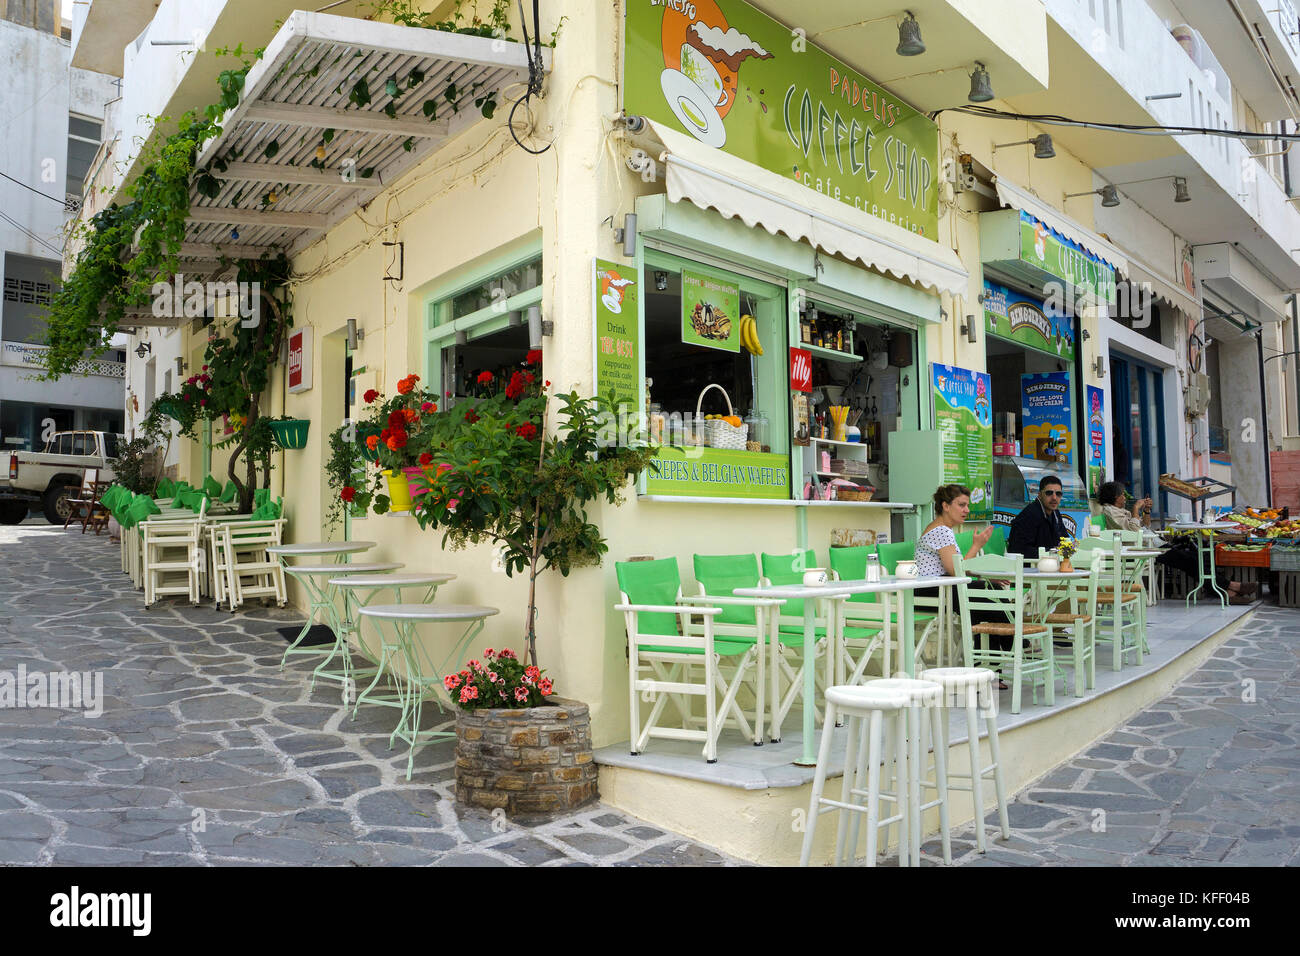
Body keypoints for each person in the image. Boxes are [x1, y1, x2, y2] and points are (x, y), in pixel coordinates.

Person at [1096, 481, 1255, 604]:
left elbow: (1146, 525)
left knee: (1193, 556)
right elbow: (1132, 531)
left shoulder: (1121, 510)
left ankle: (1229, 590)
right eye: (1121, 494)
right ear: (1114, 497)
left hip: (1154, 544)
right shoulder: (1110, 511)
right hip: (1143, 549)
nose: (1124, 497)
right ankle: (1231, 587)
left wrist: (1146, 511)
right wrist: (1136, 509)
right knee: (1188, 560)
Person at [915, 484, 1012, 685]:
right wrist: (976, 546)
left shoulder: (941, 529)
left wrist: (986, 577)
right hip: (934, 592)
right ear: (945, 506)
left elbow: (958, 569)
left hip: (943, 588)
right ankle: (1012, 642)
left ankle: (991, 669)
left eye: (967, 505)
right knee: (986, 596)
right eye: (961, 505)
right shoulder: (941, 531)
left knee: (985, 604)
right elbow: (956, 571)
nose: (967, 510)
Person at [1007, 474, 1071, 559]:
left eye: (1058, 494)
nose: (1054, 498)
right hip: (1028, 568)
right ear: (1040, 495)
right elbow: (1018, 549)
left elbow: (1065, 540)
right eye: (1049, 493)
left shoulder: (1055, 513)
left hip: (1048, 563)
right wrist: (1052, 552)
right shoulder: (1029, 515)